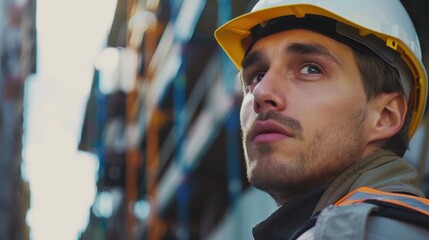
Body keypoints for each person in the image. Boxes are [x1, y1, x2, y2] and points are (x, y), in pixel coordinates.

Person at [214, 0, 429, 239]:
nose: (262, 92)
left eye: (310, 69)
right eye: (257, 76)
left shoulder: (347, 232)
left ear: (385, 116)